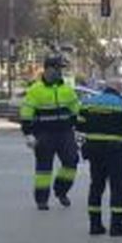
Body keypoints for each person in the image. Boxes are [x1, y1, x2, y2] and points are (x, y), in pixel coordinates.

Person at [19, 55, 82, 210]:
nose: (60, 72)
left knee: (72, 161)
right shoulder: (35, 90)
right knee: (43, 170)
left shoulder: (67, 89)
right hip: (43, 134)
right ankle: (42, 200)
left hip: (65, 133)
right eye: (57, 68)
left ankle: (61, 190)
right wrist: (28, 134)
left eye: (61, 69)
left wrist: (81, 131)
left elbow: (77, 112)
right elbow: (26, 113)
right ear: (47, 69)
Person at [76, 80, 122, 236]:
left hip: (94, 149)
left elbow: (80, 125)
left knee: (96, 185)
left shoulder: (89, 102)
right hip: (115, 150)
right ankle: (116, 225)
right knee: (117, 187)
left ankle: (95, 225)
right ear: (118, 89)